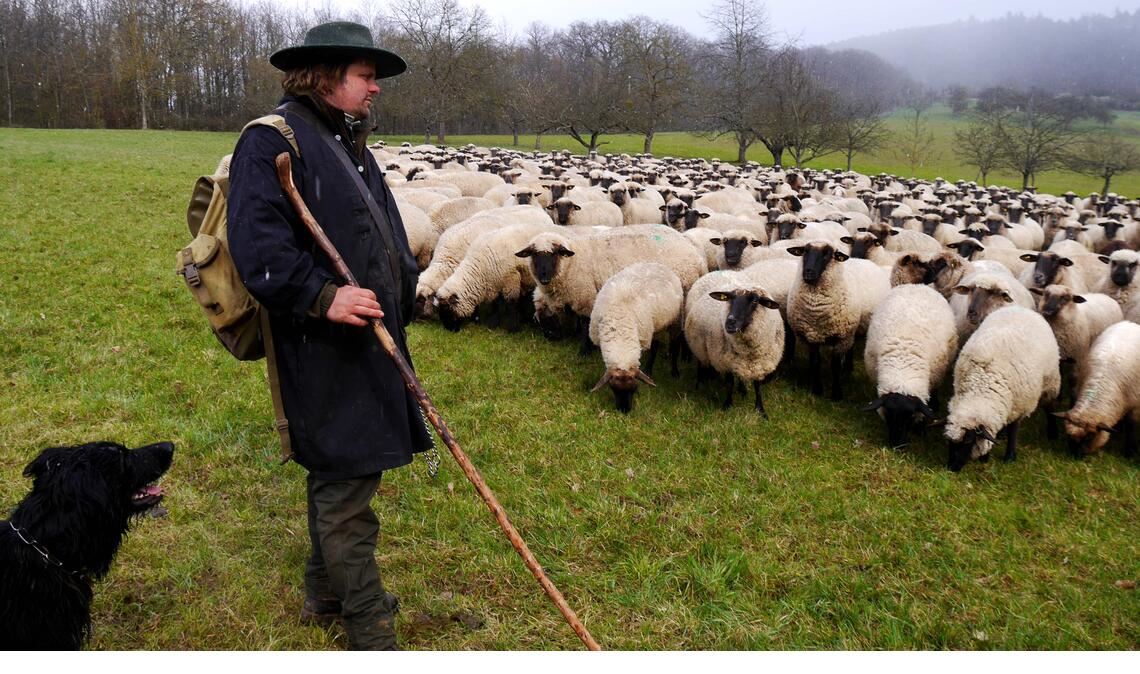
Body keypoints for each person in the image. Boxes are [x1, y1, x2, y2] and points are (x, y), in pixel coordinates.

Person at [227, 21, 433, 650]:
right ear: (326, 75)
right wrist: (323, 296)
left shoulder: (345, 142)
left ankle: (325, 590)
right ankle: (368, 627)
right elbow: (257, 249)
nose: (376, 89)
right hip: (323, 346)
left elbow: (378, 234)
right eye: (367, 76)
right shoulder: (272, 142)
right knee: (347, 486)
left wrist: (404, 286)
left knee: (341, 469)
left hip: (367, 338)